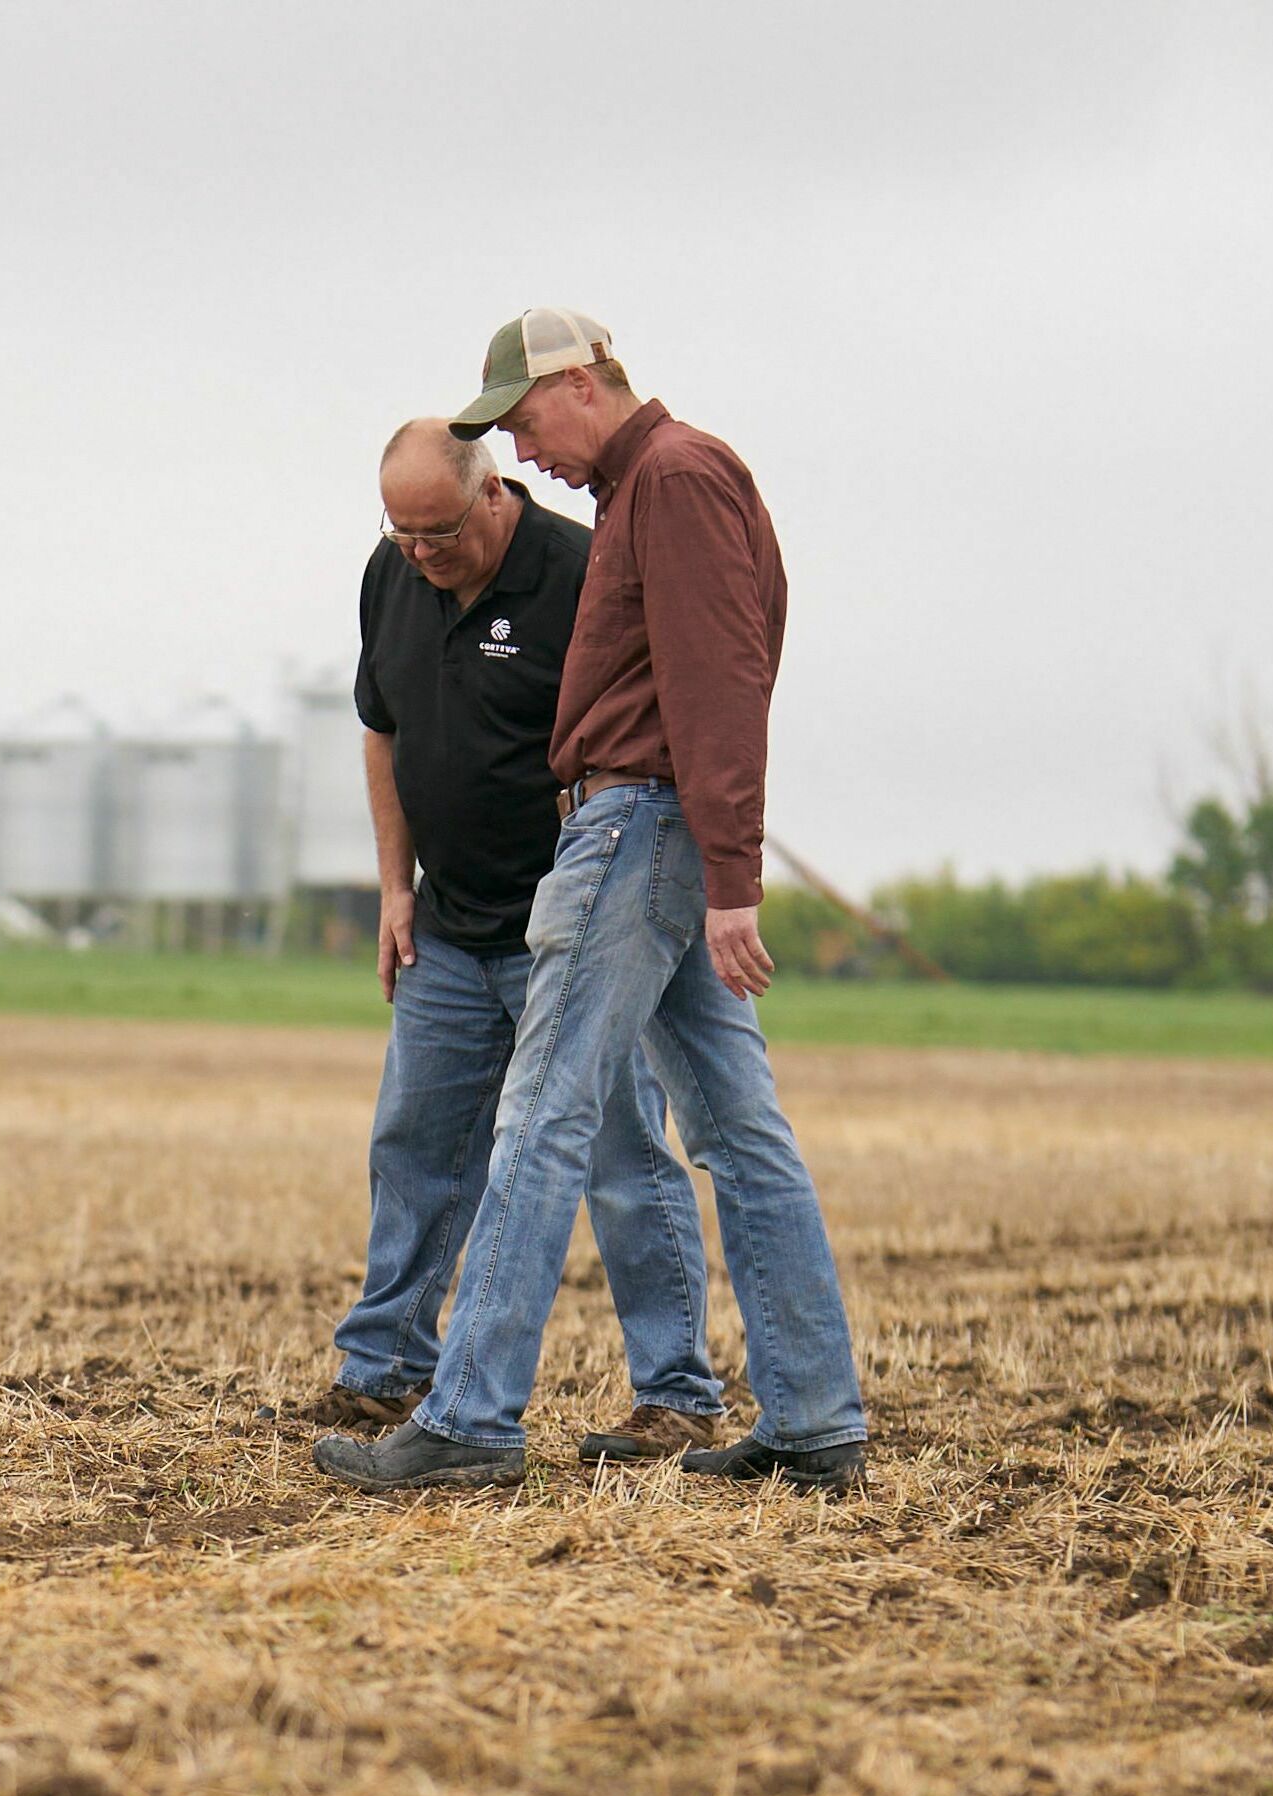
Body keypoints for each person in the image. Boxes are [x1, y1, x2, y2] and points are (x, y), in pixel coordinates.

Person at [315, 308, 870, 1497]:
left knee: (542, 1115)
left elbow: (719, 680)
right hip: (651, 825)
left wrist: (733, 880)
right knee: (733, 1127)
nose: (523, 452)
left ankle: (466, 1415)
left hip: (633, 823)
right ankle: (814, 1417)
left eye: (521, 420)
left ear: (579, 382)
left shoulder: (670, 479)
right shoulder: (655, 487)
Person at [307, 422, 721, 1457]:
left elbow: (636, 744)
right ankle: (385, 1366)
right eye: (398, 532)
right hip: (447, 921)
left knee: (617, 1149)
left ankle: (675, 1391)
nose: (418, 553)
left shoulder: (583, 574)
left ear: (493, 494)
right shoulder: (389, 572)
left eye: (436, 531)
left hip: (572, 925)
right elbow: (382, 727)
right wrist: (393, 888)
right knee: (415, 1142)